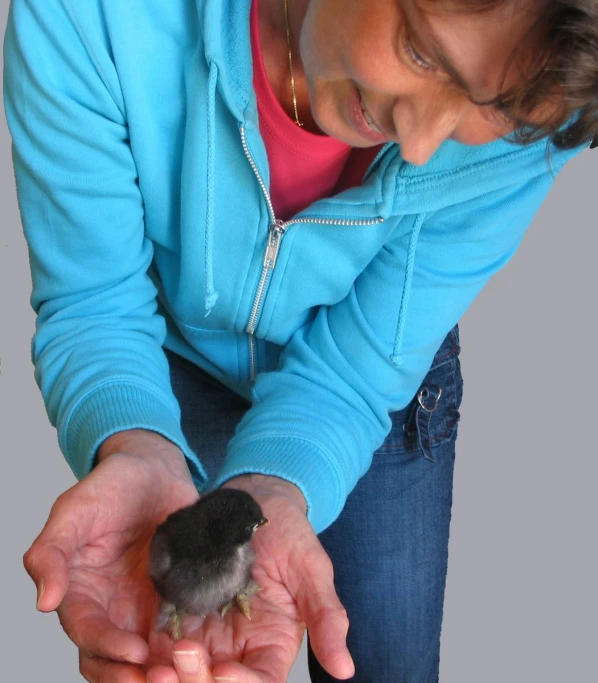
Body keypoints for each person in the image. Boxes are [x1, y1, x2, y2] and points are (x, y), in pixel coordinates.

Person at [3, 0, 595, 681]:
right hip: (170, 369)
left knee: (385, 664)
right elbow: (96, 300)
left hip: (373, 384)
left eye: (489, 107)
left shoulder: (543, 123)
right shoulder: (88, 14)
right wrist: (135, 440)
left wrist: (280, 481)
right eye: (422, 53)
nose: (422, 143)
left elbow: (355, 372)